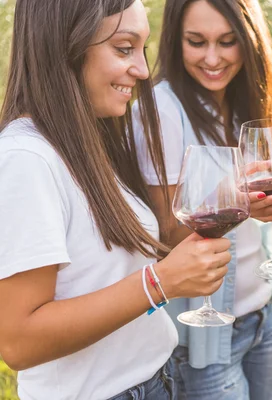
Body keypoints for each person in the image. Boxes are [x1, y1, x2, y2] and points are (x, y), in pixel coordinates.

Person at [0, 0, 234, 399]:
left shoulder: (90, 141)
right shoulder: (26, 159)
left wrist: (237, 202)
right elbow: (19, 342)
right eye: (125, 48)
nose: (143, 70)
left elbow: (115, 264)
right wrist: (159, 283)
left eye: (143, 49)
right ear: (65, 47)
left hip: (153, 382)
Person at [132, 1, 272, 399]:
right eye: (196, 41)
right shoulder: (163, 111)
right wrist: (234, 201)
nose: (212, 58)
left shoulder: (243, 100)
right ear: (175, 39)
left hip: (264, 313)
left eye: (227, 42)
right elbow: (163, 237)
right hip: (206, 336)